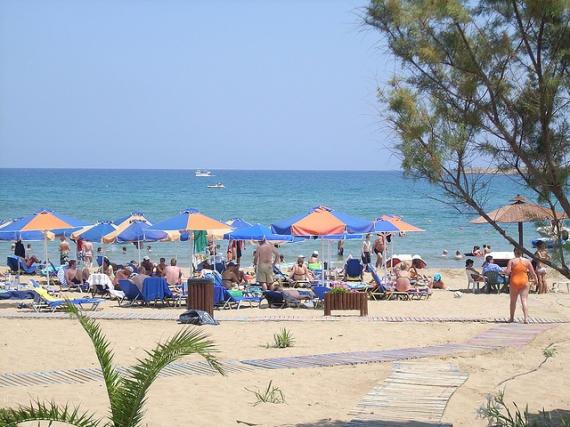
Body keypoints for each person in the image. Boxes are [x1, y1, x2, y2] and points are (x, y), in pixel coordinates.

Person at [505, 247, 538, 323]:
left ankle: (511, 318)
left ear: (514, 252)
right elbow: (533, 273)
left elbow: (508, 272)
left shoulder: (512, 261)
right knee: (524, 300)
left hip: (514, 281)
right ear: (522, 253)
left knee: (513, 301)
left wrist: (503, 271)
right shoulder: (527, 261)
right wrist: (536, 280)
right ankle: (526, 319)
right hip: (524, 281)